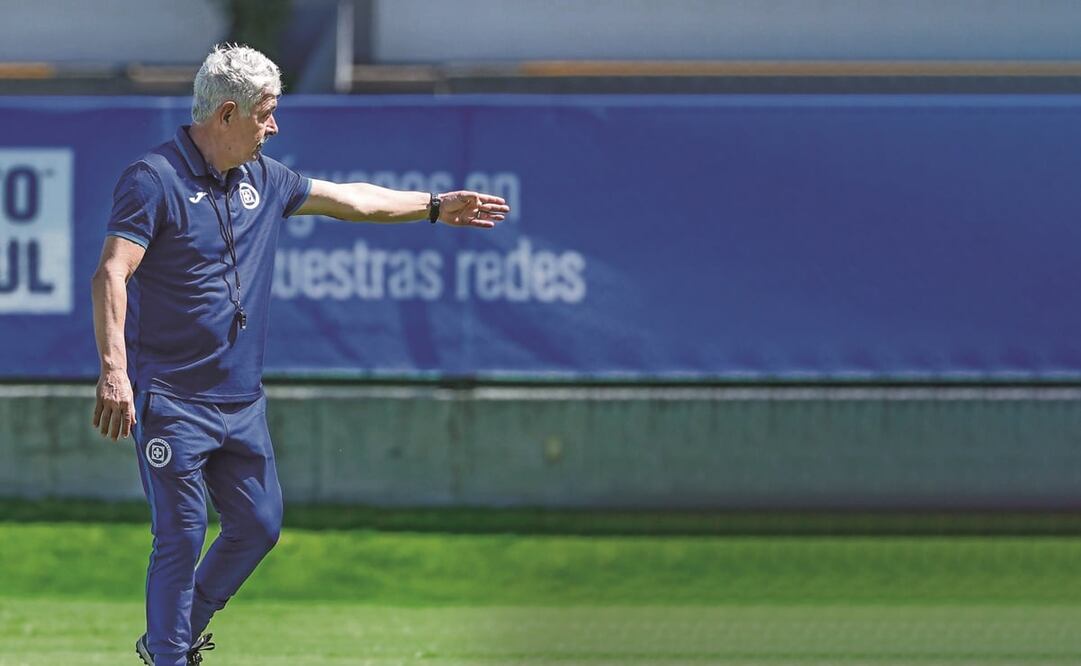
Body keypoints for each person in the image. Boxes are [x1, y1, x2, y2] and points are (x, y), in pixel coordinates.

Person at [90, 44, 508, 666]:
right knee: (180, 534)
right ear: (227, 113)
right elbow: (111, 275)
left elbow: (352, 200)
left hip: (242, 403)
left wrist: (432, 207)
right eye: (266, 113)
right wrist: (116, 373)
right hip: (174, 400)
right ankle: (172, 656)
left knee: (259, 525)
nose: (274, 126)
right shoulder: (154, 180)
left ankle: (167, 640)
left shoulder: (266, 178)